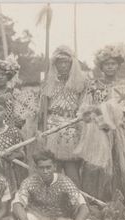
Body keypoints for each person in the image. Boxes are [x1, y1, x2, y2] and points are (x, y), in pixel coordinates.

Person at [74, 43, 125, 203]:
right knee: (99, 167)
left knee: (124, 168)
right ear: (101, 66)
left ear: (118, 65)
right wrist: (96, 111)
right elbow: (85, 109)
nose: (110, 67)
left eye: (113, 64)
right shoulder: (94, 86)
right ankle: (98, 202)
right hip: (99, 132)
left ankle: (122, 202)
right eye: (106, 64)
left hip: (120, 132)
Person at [11, 149, 96, 220]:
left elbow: (84, 208)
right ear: (36, 168)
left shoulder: (65, 182)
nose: (45, 171)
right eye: (41, 168)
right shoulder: (29, 182)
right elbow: (16, 204)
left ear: (54, 167)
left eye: (48, 167)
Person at [39, 45, 87, 187]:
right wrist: (42, 129)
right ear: (55, 64)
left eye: (66, 62)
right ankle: (53, 201)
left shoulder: (80, 83)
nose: (63, 65)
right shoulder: (49, 83)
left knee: (72, 169)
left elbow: (83, 105)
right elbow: (43, 109)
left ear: (71, 64)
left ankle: (76, 200)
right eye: (60, 62)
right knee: (53, 168)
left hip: (71, 128)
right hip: (52, 127)